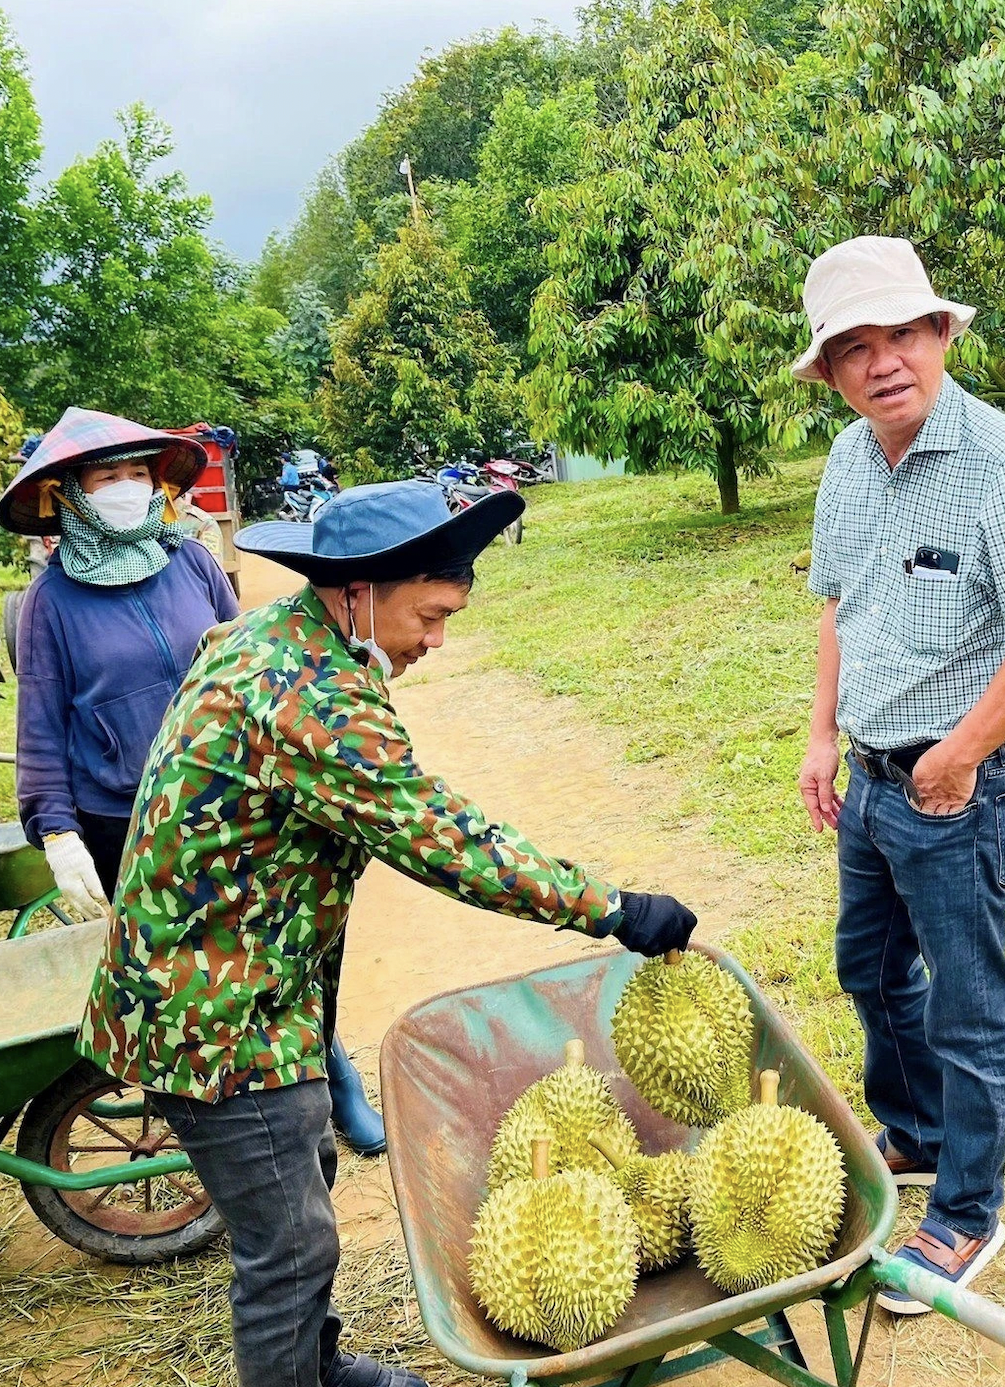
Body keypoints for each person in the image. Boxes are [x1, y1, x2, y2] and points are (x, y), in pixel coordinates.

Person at [77, 481, 701, 1387]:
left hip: (244, 983)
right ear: (359, 590)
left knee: (305, 1174)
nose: (436, 641)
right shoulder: (312, 698)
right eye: (432, 613)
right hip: (215, 1014)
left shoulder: (273, 637)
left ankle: (318, 1363)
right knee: (287, 1248)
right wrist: (611, 907)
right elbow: (443, 837)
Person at [792, 237, 1005, 1311]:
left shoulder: (1000, 462)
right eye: (855, 348)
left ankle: (965, 1212)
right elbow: (842, 603)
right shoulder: (845, 460)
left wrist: (955, 758)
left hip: (951, 787)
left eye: (903, 336)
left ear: (942, 336)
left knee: (968, 1005)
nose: (884, 364)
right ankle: (916, 1136)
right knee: (868, 972)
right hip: (868, 779)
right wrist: (822, 735)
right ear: (829, 371)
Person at [1, 407, 385, 1155]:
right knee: (198, 979)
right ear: (72, 493)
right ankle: (238, 1122)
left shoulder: (192, 562)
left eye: (138, 473)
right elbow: (39, 724)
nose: (126, 487)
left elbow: (253, 659)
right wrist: (54, 828)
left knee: (284, 949)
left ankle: (332, 1077)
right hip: (129, 822)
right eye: (107, 475)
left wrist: (335, 678)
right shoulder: (50, 603)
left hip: (237, 801)